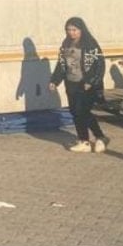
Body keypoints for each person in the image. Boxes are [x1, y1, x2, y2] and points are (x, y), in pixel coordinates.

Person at [49, 16, 108, 153]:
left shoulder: (90, 44)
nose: (71, 33)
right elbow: (61, 65)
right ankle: (100, 137)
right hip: (71, 83)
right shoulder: (66, 44)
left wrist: (90, 81)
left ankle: (84, 140)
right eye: (68, 30)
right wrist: (54, 81)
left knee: (82, 111)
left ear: (81, 30)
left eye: (74, 30)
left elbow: (99, 66)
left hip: (86, 84)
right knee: (75, 111)